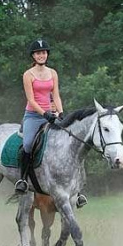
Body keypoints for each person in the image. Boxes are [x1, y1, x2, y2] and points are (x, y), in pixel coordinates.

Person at [14, 40, 88, 207]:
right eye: (38, 53)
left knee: (71, 143)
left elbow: (56, 95)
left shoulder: (53, 73)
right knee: (27, 144)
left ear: (47, 55)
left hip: (52, 114)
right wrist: (45, 114)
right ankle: (23, 180)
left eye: (44, 52)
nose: (42, 55)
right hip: (34, 116)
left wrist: (61, 114)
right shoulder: (28, 74)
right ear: (33, 55)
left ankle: (79, 190)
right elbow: (31, 100)